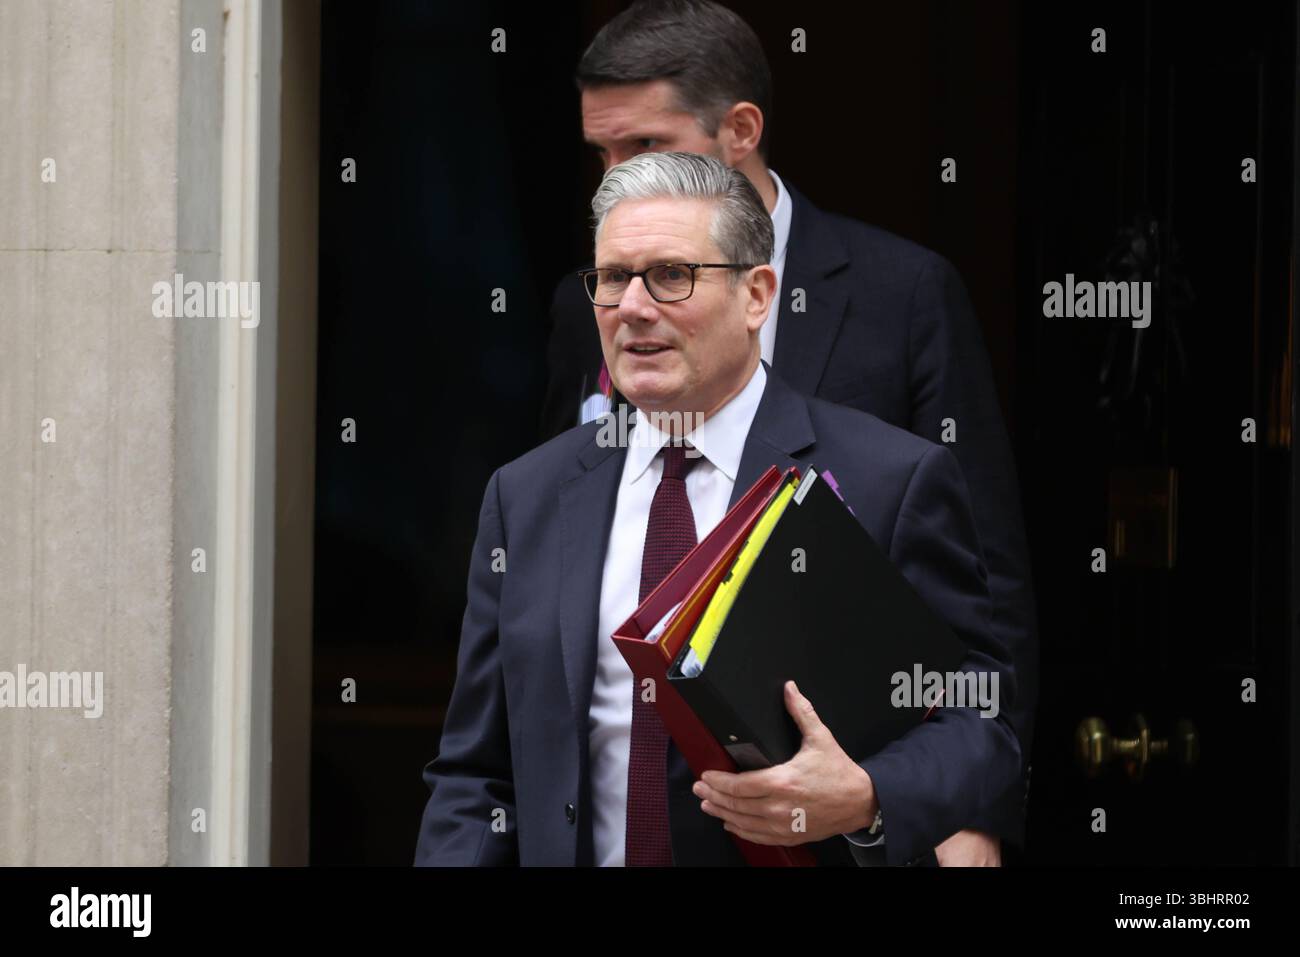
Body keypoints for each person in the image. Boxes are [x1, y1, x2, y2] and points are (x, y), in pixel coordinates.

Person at [416, 152, 1022, 867]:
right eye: (613, 278)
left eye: (673, 275)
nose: (634, 307)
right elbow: (475, 773)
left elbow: (981, 719)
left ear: (758, 295)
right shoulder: (526, 497)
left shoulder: (890, 478)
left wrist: (866, 793)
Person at [540, 2, 1036, 863]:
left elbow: (987, 597)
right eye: (601, 153)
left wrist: (963, 810)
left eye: (644, 147)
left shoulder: (904, 294)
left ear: (740, 130)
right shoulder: (588, 304)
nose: (610, 180)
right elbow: (551, 562)